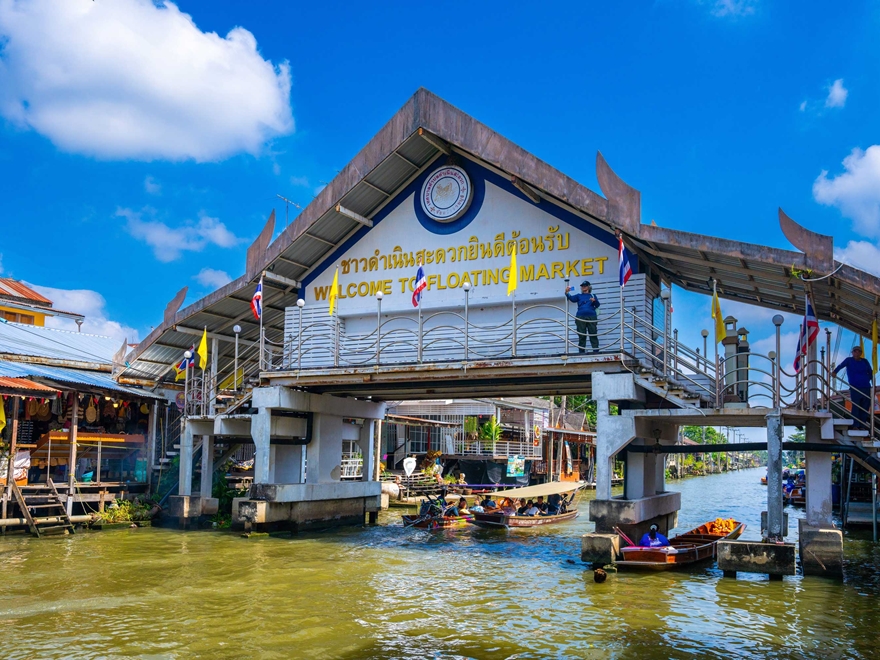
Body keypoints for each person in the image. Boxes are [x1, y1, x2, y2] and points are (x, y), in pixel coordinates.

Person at [832, 346, 874, 430]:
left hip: (866, 387)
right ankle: (855, 425)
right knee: (856, 406)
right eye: (855, 351)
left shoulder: (865, 361)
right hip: (855, 388)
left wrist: (872, 383)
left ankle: (862, 425)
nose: (857, 353)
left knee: (865, 407)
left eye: (859, 351)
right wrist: (835, 372)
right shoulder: (849, 360)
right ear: (852, 352)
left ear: (861, 353)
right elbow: (841, 365)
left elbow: (870, 372)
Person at [565, 280, 600, 353]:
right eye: (582, 286)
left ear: (589, 287)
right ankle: (581, 351)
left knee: (593, 334)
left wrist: (594, 301)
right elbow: (571, 298)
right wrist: (567, 292)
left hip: (591, 316)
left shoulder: (593, 295)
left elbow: (597, 305)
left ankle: (596, 351)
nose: (584, 287)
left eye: (585, 286)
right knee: (581, 335)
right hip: (580, 316)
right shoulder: (579, 295)